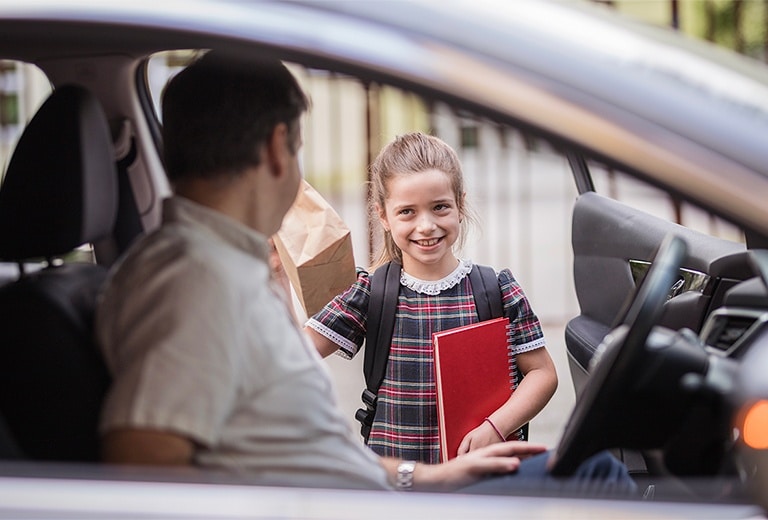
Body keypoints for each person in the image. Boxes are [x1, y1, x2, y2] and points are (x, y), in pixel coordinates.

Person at [95, 50, 634, 495]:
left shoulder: (226, 269)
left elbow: (305, 445)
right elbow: (147, 466)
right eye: (300, 147)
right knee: (597, 473)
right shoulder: (192, 282)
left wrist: (425, 476)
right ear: (278, 149)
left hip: (388, 487)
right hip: (351, 504)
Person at [305, 132, 558, 463]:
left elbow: (543, 374)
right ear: (383, 216)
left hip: (478, 476)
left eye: (439, 207)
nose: (426, 225)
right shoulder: (371, 293)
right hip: (398, 481)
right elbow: (295, 354)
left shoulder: (497, 291)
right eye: (407, 212)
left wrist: (496, 427)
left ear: (460, 206)